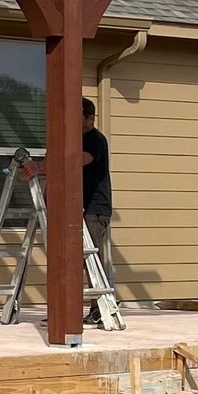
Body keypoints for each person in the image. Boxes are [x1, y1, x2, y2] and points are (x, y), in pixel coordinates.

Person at [80, 98, 115, 324]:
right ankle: (89, 308)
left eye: (77, 117)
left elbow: (78, 161)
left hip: (95, 208)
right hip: (78, 207)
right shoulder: (76, 139)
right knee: (78, 259)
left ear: (90, 118)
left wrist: (44, 166)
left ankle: (101, 308)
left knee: (91, 259)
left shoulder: (95, 140)